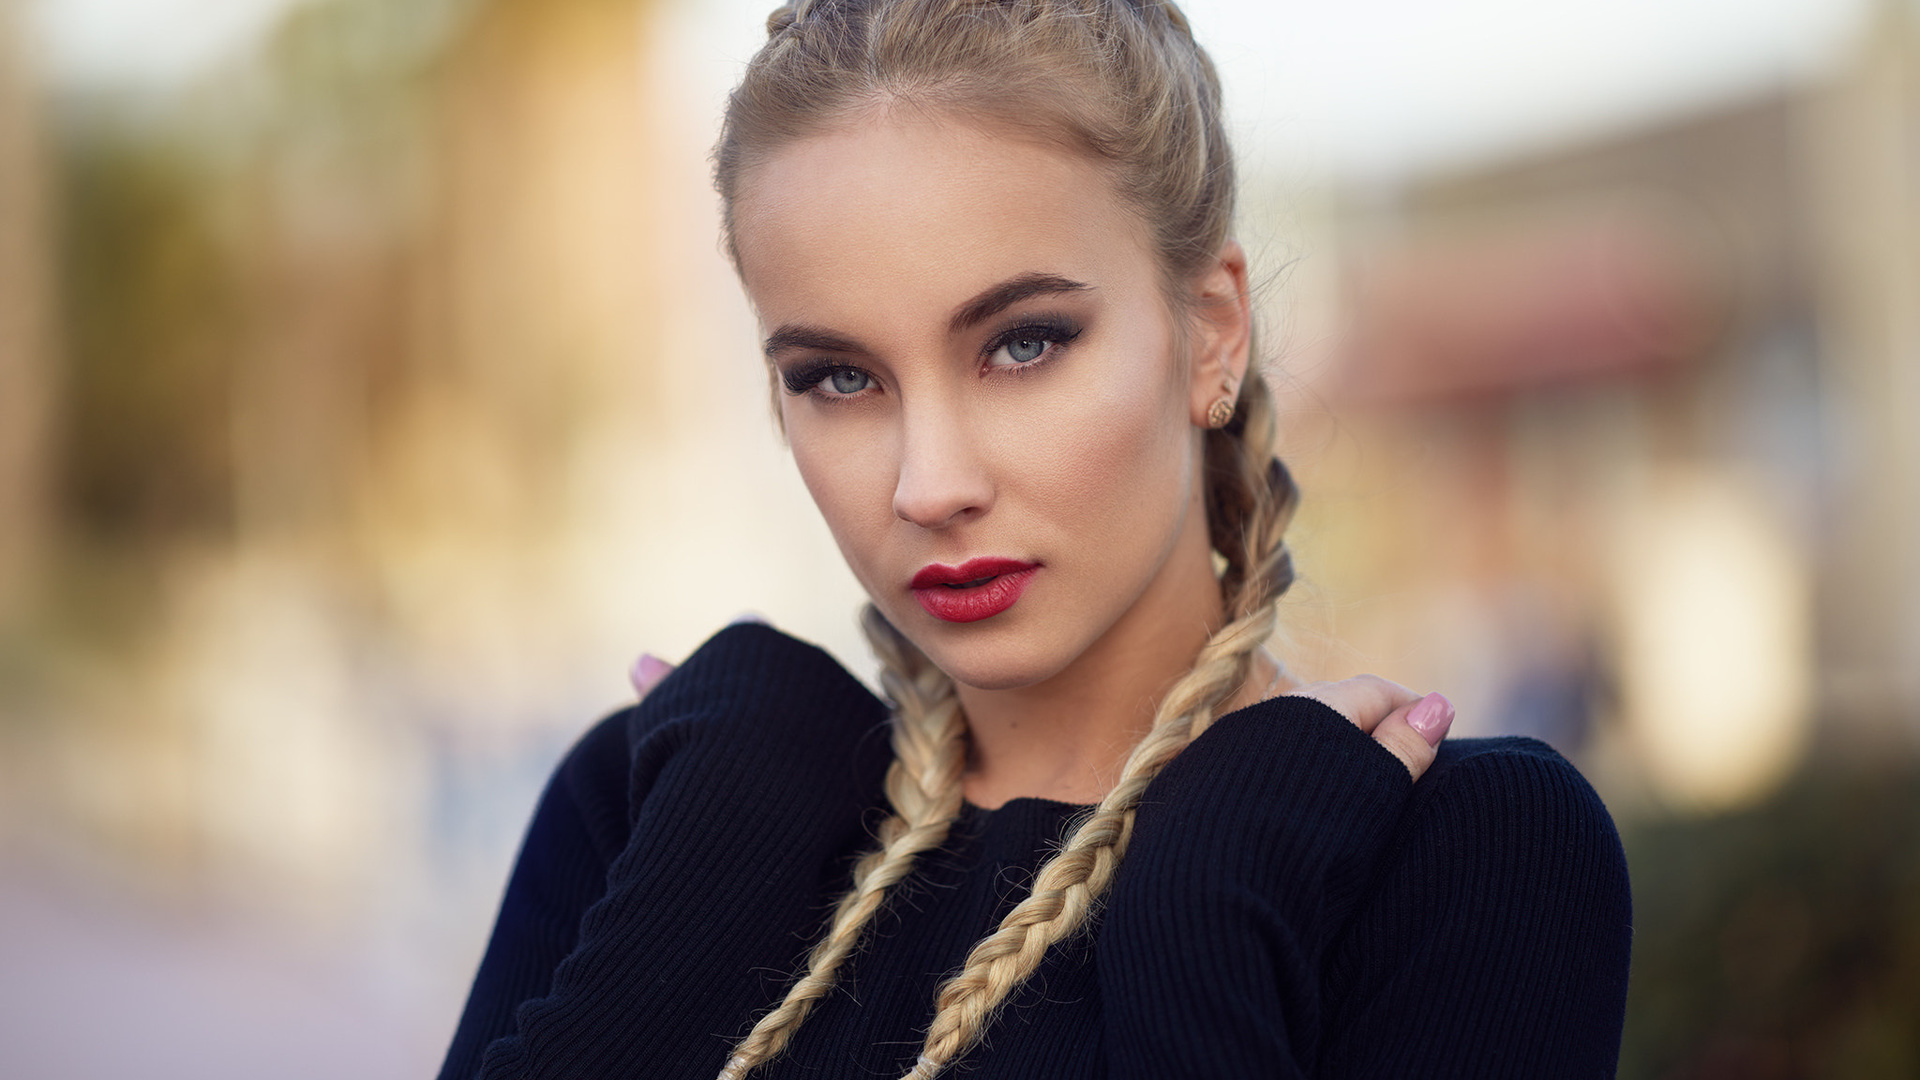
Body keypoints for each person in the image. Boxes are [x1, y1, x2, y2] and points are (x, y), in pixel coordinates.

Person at [435, 1, 1633, 1077]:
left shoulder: (1454, 855)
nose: (930, 483)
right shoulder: (650, 806)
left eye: (1023, 343)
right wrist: (717, 858)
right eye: (839, 377)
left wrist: (1205, 908)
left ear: (1209, 333)